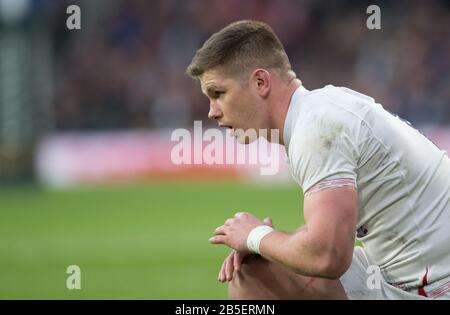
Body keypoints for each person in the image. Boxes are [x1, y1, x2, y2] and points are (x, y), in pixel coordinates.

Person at [186, 20, 450, 299]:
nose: (212, 112)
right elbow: (328, 234)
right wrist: (265, 242)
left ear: (261, 82)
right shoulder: (319, 111)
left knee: (254, 279)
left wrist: (255, 236)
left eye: (219, 93)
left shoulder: (318, 128)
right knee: (257, 271)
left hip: (436, 287)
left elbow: (328, 256)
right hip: (407, 277)